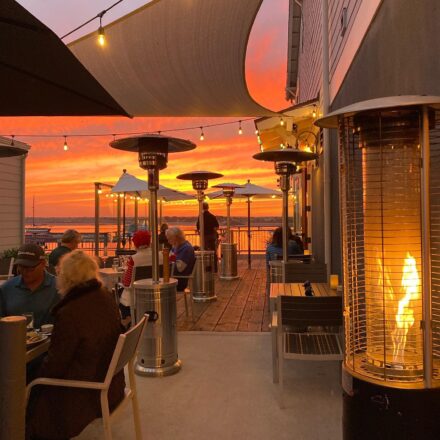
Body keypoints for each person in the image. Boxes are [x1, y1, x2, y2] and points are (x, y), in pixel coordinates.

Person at [26, 250, 125, 440]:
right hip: (112, 384)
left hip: (85, 393)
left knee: (31, 379)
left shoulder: (70, 312)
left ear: (66, 277)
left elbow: (55, 367)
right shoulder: (104, 297)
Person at [0, 244, 59, 329]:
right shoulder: (6, 289)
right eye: (21, 266)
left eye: (30, 268)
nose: (24, 271)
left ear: (43, 264)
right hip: (14, 340)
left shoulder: (59, 287)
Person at [119, 230, 163, 325]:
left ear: (135, 243)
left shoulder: (134, 259)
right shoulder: (160, 255)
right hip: (157, 293)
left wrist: (122, 278)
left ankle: (128, 320)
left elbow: (127, 283)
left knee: (119, 291)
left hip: (137, 295)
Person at [166, 227, 196, 292]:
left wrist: (168, 262)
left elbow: (180, 268)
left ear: (176, 237)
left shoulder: (187, 249)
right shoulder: (176, 247)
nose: (168, 242)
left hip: (179, 280)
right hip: (173, 277)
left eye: (170, 239)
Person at [196, 202, 219, 271]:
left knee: (205, 252)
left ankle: (206, 268)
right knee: (213, 251)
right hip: (212, 236)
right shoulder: (212, 216)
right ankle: (214, 268)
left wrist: (200, 232)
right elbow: (216, 227)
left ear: (202, 207)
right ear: (208, 207)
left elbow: (198, 227)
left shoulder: (201, 216)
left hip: (204, 236)